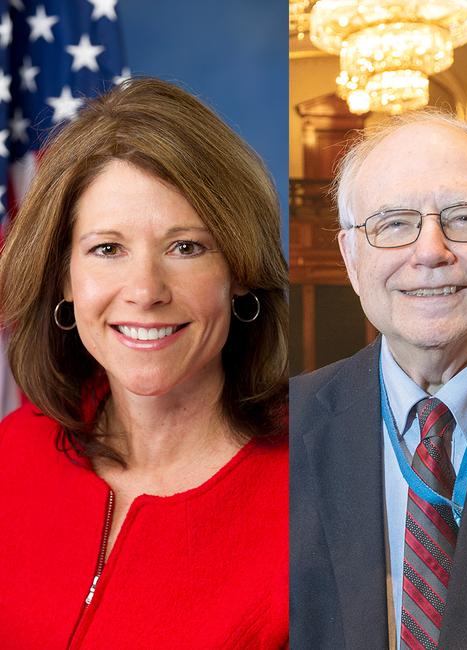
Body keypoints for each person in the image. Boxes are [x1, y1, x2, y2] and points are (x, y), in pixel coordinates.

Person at [0, 78, 289, 648]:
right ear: (63, 278)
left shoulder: (312, 493)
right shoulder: (14, 449)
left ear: (240, 270)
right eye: (107, 249)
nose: (145, 290)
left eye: (186, 247)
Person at [289, 110, 467, 649]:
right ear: (351, 258)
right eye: (394, 223)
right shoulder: (280, 424)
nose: (429, 252)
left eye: (465, 218)